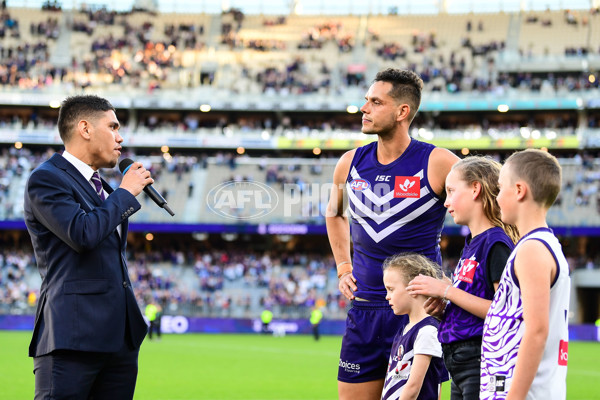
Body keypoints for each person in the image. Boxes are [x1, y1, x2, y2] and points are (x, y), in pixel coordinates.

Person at [325, 68, 459, 399]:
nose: (364, 108)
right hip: (365, 311)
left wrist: (459, 282)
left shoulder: (437, 162)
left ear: (403, 112)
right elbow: (334, 214)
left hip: (417, 314)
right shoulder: (349, 163)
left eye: (375, 102)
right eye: (366, 100)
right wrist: (344, 266)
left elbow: (483, 207)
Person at [24, 95, 153, 399]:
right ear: (85, 128)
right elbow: (82, 234)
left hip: (119, 340)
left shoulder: (103, 186)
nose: (120, 137)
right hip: (73, 336)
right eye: (113, 126)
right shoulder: (47, 179)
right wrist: (125, 194)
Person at [406, 156, 518, 400]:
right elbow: (473, 303)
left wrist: (448, 291)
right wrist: (444, 309)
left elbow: (503, 312)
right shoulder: (472, 244)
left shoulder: (496, 243)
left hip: (479, 360)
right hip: (459, 363)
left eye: (451, 191)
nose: (445, 202)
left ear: (475, 189)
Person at [480, 149, 570, 399]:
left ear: (519, 190)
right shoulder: (539, 244)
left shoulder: (532, 250)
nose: (496, 198)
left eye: (500, 188)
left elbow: (537, 331)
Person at [381, 253, 448, 400]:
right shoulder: (404, 329)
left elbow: (413, 388)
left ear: (414, 288)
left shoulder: (427, 331)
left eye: (391, 289)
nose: (387, 296)